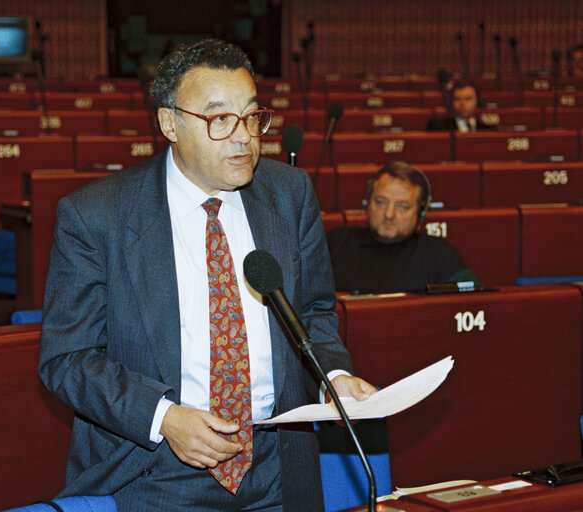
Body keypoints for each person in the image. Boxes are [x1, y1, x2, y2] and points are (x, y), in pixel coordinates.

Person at [39, 39, 376, 512]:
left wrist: (334, 376)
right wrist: (165, 418)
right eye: (220, 119)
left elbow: (314, 311)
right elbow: (67, 358)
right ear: (169, 123)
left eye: (252, 117)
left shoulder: (291, 194)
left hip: (277, 465)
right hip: (156, 470)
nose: (243, 137)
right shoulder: (97, 216)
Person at [326, 161, 477, 294]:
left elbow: (472, 302)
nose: (389, 214)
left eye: (403, 207)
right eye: (381, 202)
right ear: (367, 204)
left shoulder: (438, 254)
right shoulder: (335, 243)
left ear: (420, 212)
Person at [426, 79, 494, 132]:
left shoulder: (488, 129)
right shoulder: (437, 127)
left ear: (477, 101)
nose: (463, 103)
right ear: (451, 102)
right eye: (457, 99)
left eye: (468, 99)